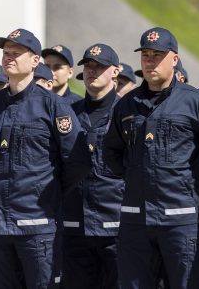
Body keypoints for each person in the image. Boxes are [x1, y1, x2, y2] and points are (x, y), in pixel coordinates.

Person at [102, 27, 199, 289]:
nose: (150, 61)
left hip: (181, 219)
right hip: (136, 220)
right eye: (146, 55)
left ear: (174, 59)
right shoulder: (126, 104)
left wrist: (195, 180)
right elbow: (111, 151)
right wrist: (133, 176)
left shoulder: (197, 102)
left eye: (158, 55)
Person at [0, 28, 91, 289]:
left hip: (37, 226)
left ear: (35, 61)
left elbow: (78, 161)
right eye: (6, 53)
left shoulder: (53, 106)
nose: (9, 58)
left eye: (17, 53)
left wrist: (45, 190)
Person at [63, 43, 124, 287]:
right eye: (88, 66)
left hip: (115, 224)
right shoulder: (68, 112)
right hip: (75, 225)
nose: (92, 71)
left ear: (115, 72)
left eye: (100, 67)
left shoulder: (128, 111)